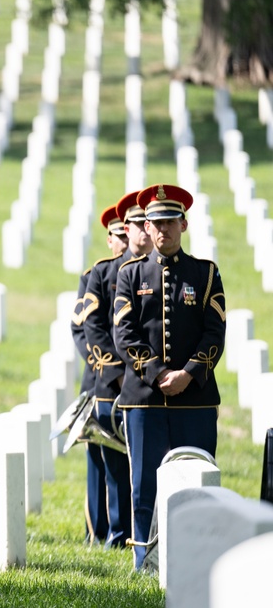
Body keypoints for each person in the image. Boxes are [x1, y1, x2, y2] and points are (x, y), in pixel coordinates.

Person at [113, 184, 226, 570]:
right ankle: (144, 558)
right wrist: (159, 374)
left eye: (170, 222)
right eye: (156, 223)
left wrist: (189, 374)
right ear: (148, 225)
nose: (163, 230)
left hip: (194, 397)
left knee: (196, 478)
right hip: (144, 398)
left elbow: (215, 332)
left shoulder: (206, 274)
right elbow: (124, 333)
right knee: (144, 484)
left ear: (184, 224)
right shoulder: (129, 274)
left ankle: (197, 557)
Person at [82, 198, 145, 548]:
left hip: (148, 386)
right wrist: (119, 374)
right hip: (112, 384)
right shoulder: (102, 272)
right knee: (115, 466)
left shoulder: (157, 271)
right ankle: (118, 534)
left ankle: (144, 531)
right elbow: (93, 327)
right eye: (129, 227)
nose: (134, 233)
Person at [71, 205, 128, 543]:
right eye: (119, 235)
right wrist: (108, 369)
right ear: (109, 239)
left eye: (128, 234)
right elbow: (81, 329)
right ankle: (98, 528)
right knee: (99, 455)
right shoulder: (97, 275)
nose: (124, 241)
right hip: (99, 379)